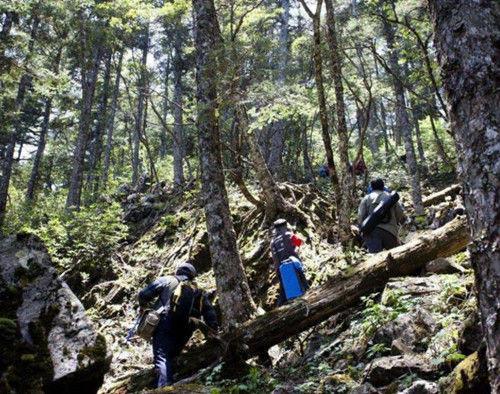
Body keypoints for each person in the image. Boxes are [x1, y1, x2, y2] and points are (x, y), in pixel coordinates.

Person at [138, 262, 218, 388]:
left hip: (166, 323)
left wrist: (143, 305)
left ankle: (164, 388)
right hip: (187, 328)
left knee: (162, 356)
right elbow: (210, 313)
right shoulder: (198, 291)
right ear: (193, 276)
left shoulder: (168, 280)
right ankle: (170, 382)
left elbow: (144, 294)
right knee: (171, 356)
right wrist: (214, 330)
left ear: (178, 271)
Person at [358, 178, 406, 253]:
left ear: (371, 187)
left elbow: (360, 217)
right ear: (383, 186)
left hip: (372, 232)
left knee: (375, 258)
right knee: (396, 256)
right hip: (390, 232)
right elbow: (400, 216)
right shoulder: (390, 197)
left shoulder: (366, 199)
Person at [270, 219, 308, 304]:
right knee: (302, 280)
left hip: (281, 268)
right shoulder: (289, 235)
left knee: (284, 286)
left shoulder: (272, 242)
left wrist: (278, 270)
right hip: (294, 263)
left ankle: (283, 304)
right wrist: (295, 250)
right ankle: (307, 294)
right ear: (285, 226)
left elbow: (274, 257)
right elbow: (299, 243)